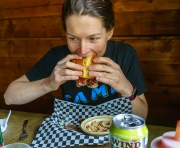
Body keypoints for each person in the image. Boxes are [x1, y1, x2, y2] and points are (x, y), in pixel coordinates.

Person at [4, 0, 148, 119]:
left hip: (115, 135)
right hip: (73, 132)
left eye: (93, 38)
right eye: (73, 38)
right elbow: (9, 97)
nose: (83, 50)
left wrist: (127, 89)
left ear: (109, 33)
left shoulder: (125, 54)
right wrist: (48, 83)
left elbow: (142, 115)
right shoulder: (58, 57)